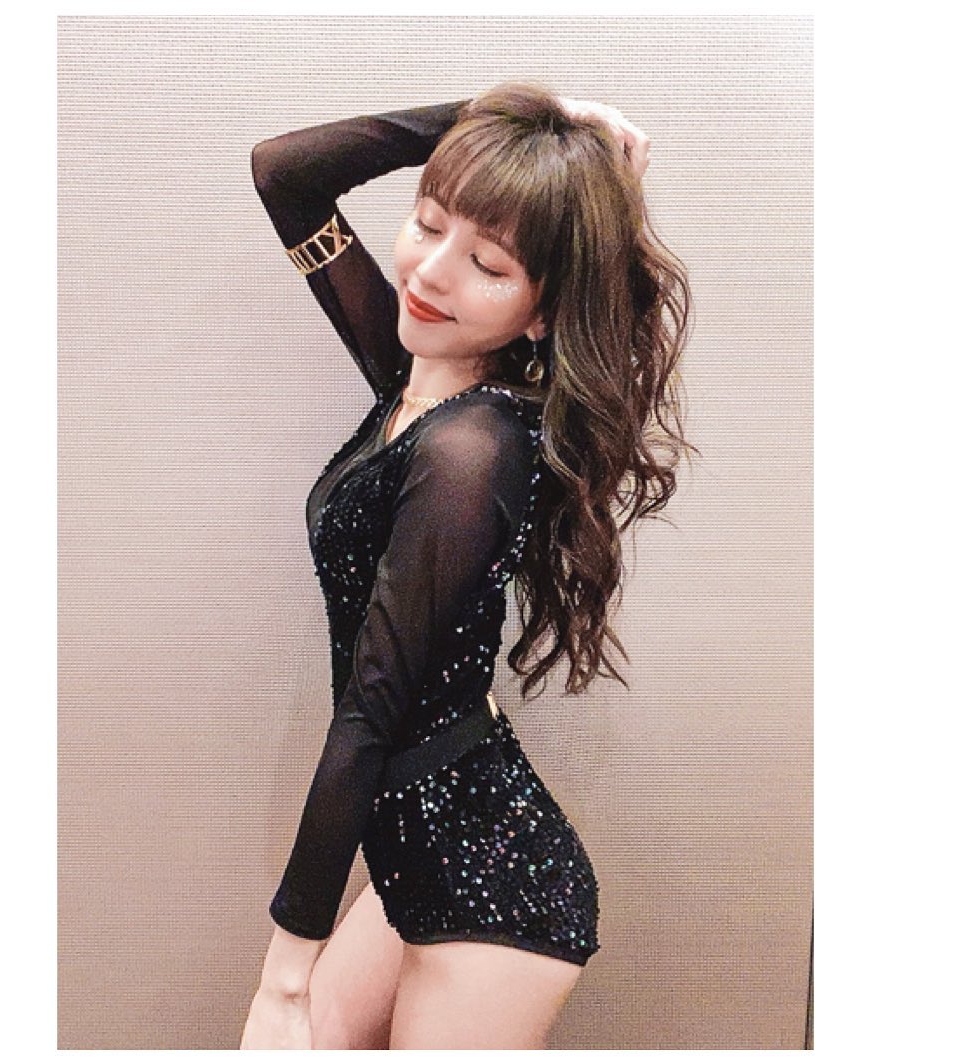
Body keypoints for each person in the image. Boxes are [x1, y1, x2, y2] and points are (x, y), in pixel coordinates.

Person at [241, 82, 693, 1050]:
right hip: (416, 853)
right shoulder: (413, 377)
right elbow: (283, 173)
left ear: (540, 312)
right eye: (427, 222)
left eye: (487, 263)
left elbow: (370, 711)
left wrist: (286, 975)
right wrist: (501, 120)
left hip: (493, 887)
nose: (431, 273)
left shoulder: (470, 449)